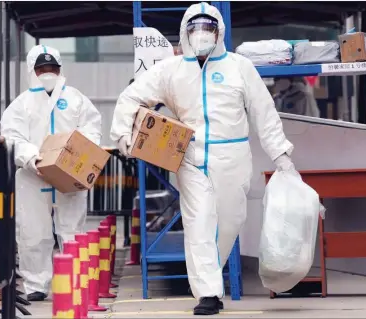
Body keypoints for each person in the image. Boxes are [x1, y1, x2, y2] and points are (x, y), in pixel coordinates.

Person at [110, 2, 298, 315]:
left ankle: (206, 272)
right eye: (195, 29)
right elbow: (132, 96)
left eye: (208, 28)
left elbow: (264, 114)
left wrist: (281, 155)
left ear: (219, 31)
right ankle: (208, 293)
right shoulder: (171, 69)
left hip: (233, 157)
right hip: (190, 158)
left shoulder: (239, 67)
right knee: (198, 224)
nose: (201, 35)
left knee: (231, 221)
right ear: (185, 33)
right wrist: (123, 135)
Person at [1, 44, 102, 302]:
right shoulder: (20, 105)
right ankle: (36, 283)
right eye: (41, 69)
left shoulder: (77, 99)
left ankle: (75, 279)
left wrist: (78, 156)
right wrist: (32, 158)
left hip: (70, 175)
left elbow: (92, 129)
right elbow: (12, 138)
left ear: (60, 70)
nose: (47, 73)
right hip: (32, 176)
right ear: (31, 71)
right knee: (33, 231)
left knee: (72, 229)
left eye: (52, 69)